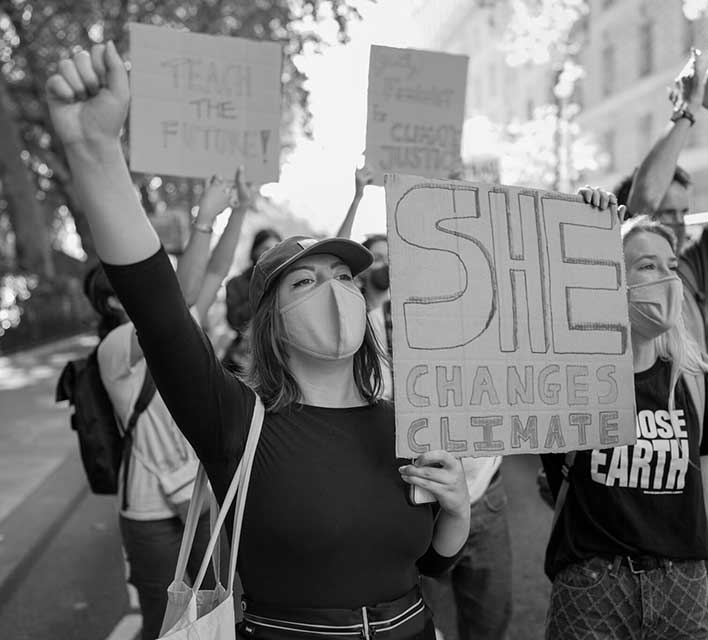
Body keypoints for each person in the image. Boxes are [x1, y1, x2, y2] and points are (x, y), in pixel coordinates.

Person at [47, 42, 469, 639]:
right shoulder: (238, 423)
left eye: (344, 277)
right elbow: (161, 311)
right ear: (272, 321)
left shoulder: (407, 422)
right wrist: (94, 153)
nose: (333, 289)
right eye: (306, 280)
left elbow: (430, 565)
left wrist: (455, 509)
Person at [540, 188, 708, 640]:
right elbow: (534, 299)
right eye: (647, 266)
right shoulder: (570, 379)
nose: (667, 278)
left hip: (683, 589)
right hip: (593, 588)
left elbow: (704, 489)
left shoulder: (696, 380)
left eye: (671, 267)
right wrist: (585, 228)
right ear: (613, 279)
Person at [336, 176, 513, 639]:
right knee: (421, 627)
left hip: (483, 499)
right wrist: (357, 199)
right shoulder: (369, 326)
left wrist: (596, 220)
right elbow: (339, 275)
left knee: (490, 625)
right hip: (413, 504)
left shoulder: (487, 308)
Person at [83, 265, 208, 640]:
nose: (145, 289)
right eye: (129, 286)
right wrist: (203, 221)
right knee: (164, 623)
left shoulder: (173, 333)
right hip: (146, 511)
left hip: (197, 492)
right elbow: (175, 302)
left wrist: (230, 213)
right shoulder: (117, 345)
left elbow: (214, 270)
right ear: (111, 302)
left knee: (219, 602)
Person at [614, 35, 708, 354]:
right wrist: (687, 111)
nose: (678, 224)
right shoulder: (618, 272)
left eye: (683, 213)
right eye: (667, 214)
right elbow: (646, 198)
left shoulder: (692, 266)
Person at [223, 226, 281, 373]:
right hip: (237, 363)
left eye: (276, 249)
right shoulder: (236, 283)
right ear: (254, 251)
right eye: (265, 248)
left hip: (271, 367)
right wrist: (263, 289)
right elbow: (235, 321)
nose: (271, 254)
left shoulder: (283, 287)